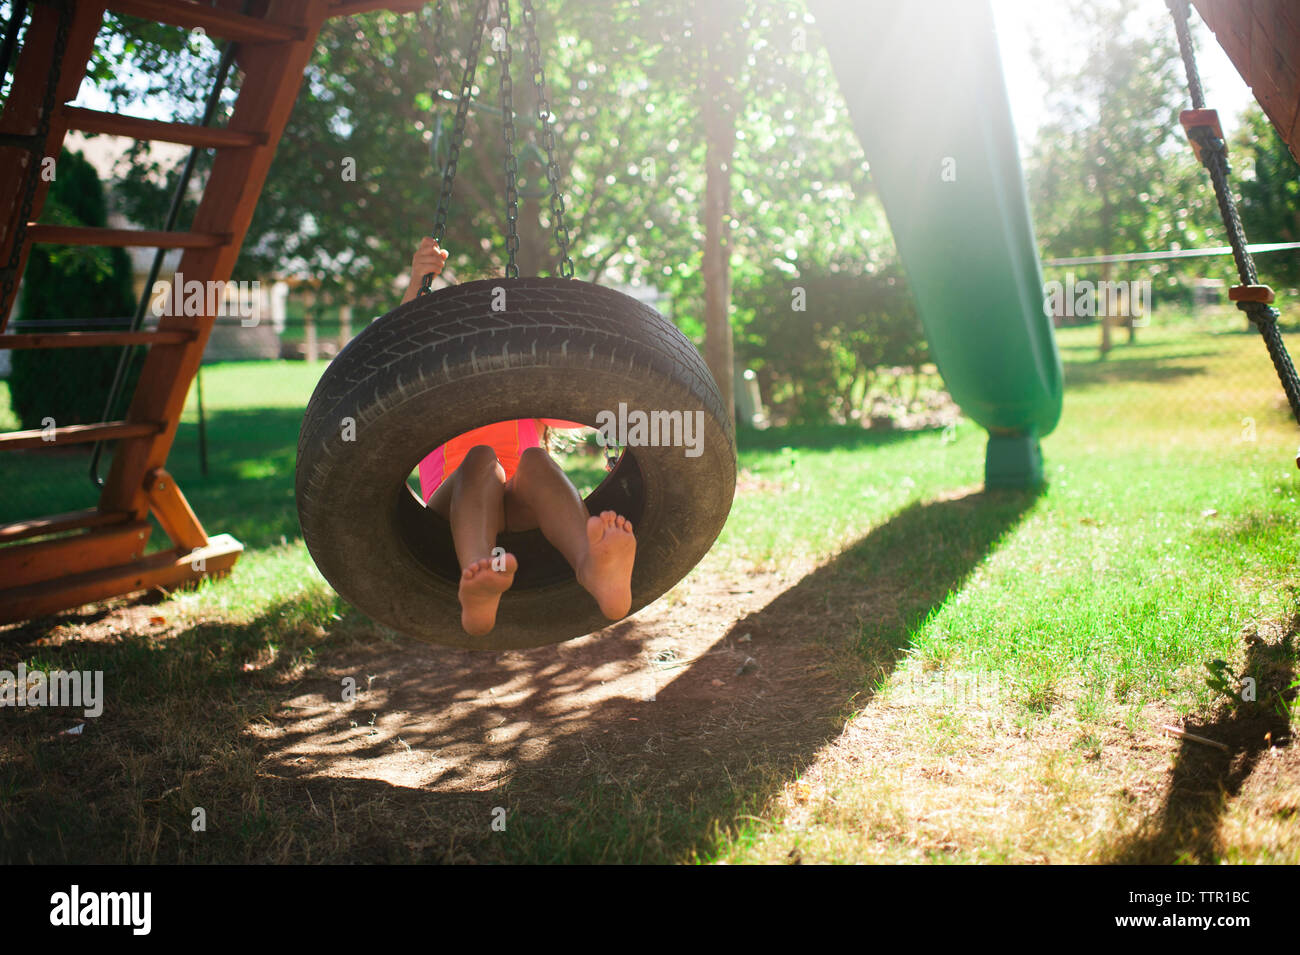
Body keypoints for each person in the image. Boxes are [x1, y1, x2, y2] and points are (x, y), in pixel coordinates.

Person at [405, 237, 636, 637]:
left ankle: (594, 570)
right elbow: (402, 356)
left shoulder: (532, 392)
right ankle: (477, 579)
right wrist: (418, 284)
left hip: (524, 507)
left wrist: (574, 326)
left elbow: (589, 403)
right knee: (479, 458)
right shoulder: (436, 389)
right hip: (455, 509)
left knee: (536, 462)